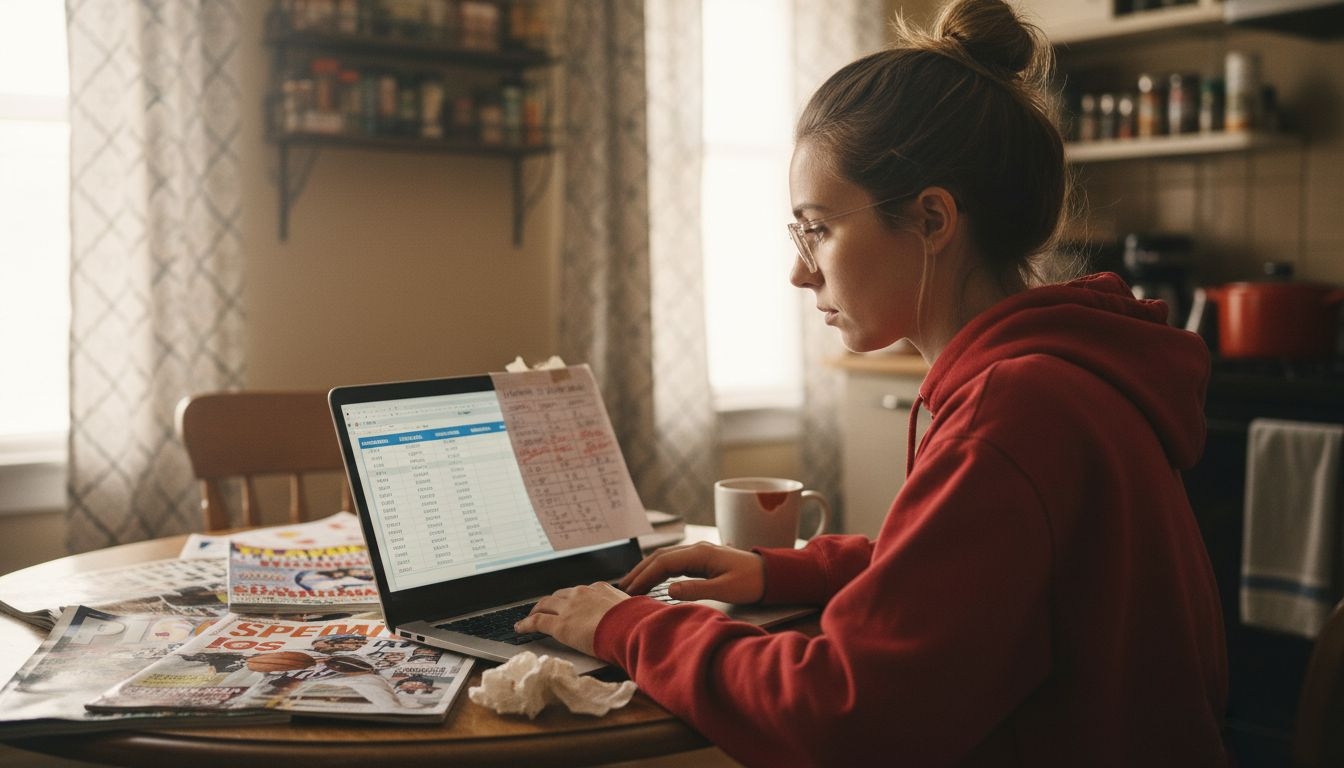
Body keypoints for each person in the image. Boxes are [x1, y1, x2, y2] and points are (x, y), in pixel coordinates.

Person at [514, 0, 1229, 764]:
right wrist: (777, 569)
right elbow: (975, 581)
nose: (798, 270)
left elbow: (838, 714)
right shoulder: (1062, 378)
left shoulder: (1012, 413)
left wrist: (624, 625)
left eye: (816, 227)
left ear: (931, 220)